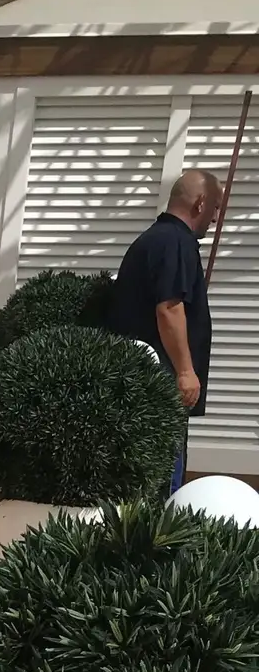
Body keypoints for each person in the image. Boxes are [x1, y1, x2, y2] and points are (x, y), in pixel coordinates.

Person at [106, 168, 222, 491]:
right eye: (215, 208)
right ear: (200, 203)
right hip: (161, 382)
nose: (215, 219)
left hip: (143, 381)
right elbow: (169, 309)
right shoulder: (175, 243)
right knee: (163, 479)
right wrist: (185, 371)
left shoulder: (158, 239)